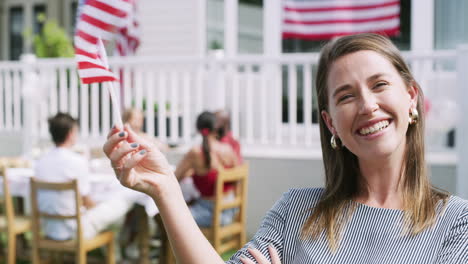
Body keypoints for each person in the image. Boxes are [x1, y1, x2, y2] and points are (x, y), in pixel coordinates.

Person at [103, 34, 468, 264]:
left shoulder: (458, 224)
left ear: (411, 98)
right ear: (330, 123)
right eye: (346, 95)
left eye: (379, 84)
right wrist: (166, 186)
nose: (367, 104)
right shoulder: (296, 210)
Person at [35, 113, 137, 240]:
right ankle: (121, 249)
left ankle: (116, 248)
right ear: (70, 133)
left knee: (105, 209)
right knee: (125, 200)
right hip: (75, 230)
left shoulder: (41, 161)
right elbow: (87, 202)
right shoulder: (76, 161)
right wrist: (99, 209)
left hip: (48, 228)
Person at [174, 111, 239, 227]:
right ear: (215, 127)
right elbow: (232, 177)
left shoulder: (196, 152)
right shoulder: (227, 149)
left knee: (172, 216)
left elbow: (174, 178)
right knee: (190, 203)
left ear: (198, 129)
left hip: (211, 213)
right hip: (231, 210)